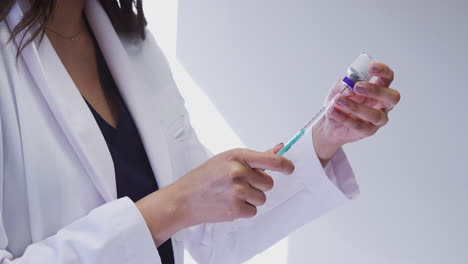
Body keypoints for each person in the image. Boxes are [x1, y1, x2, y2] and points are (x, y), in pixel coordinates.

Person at [0, 0, 401, 263]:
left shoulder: (130, 42)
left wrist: (326, 135)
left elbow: (213, 232)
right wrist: (173, 206)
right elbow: (185, 204)